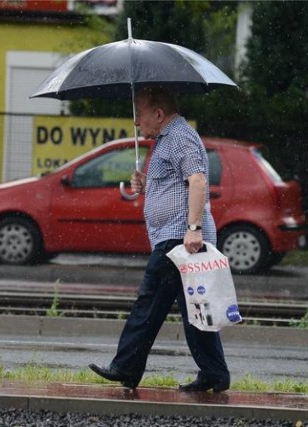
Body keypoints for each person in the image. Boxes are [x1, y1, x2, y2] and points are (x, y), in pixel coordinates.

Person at [89, 86, 230, 393]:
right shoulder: (168, 140)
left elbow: (197, 180)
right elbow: (176, 183)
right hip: (177, 238)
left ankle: (125, 366)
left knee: (148, 303)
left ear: (158, 113)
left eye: (139, 115)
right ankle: (215, 374)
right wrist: (146, 183)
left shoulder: (179, 137)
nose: (136, 123)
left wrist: (193, 228)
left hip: (179, 240)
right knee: (195, 309)